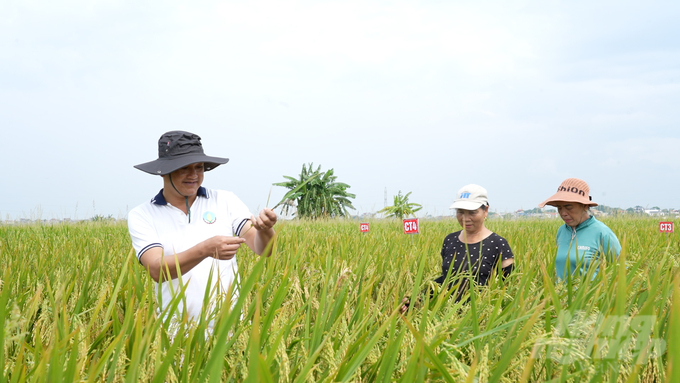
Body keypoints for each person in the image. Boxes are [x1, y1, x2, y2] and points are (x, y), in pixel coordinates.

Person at [128, 131, 277, 328]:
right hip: (175, 332)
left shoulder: (225, 200)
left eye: (199, 167)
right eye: (184, 168)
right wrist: (205, 250)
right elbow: (157, 270)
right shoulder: (143, 215)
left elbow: (263, 249)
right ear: (164, 171)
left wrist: (266, 229)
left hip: (229, 329)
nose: (194, 175)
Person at [401, 184, 514, 313]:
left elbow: (508, 287)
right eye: (460, 212)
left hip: (481, 318)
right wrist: (417, 297)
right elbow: (447, 279)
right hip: (447, 316)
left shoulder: (498, 244)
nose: (465, 218)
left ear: (485, 210)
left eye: (472, 212)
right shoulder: (450, 240)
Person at [538, 178, 621, 280]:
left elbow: (621, 270)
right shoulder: (562, 231)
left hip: (589, 295)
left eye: (569, 207)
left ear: (585, 206)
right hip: (560, 295)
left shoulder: (602, 232)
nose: (563, 213)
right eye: (559, 208)